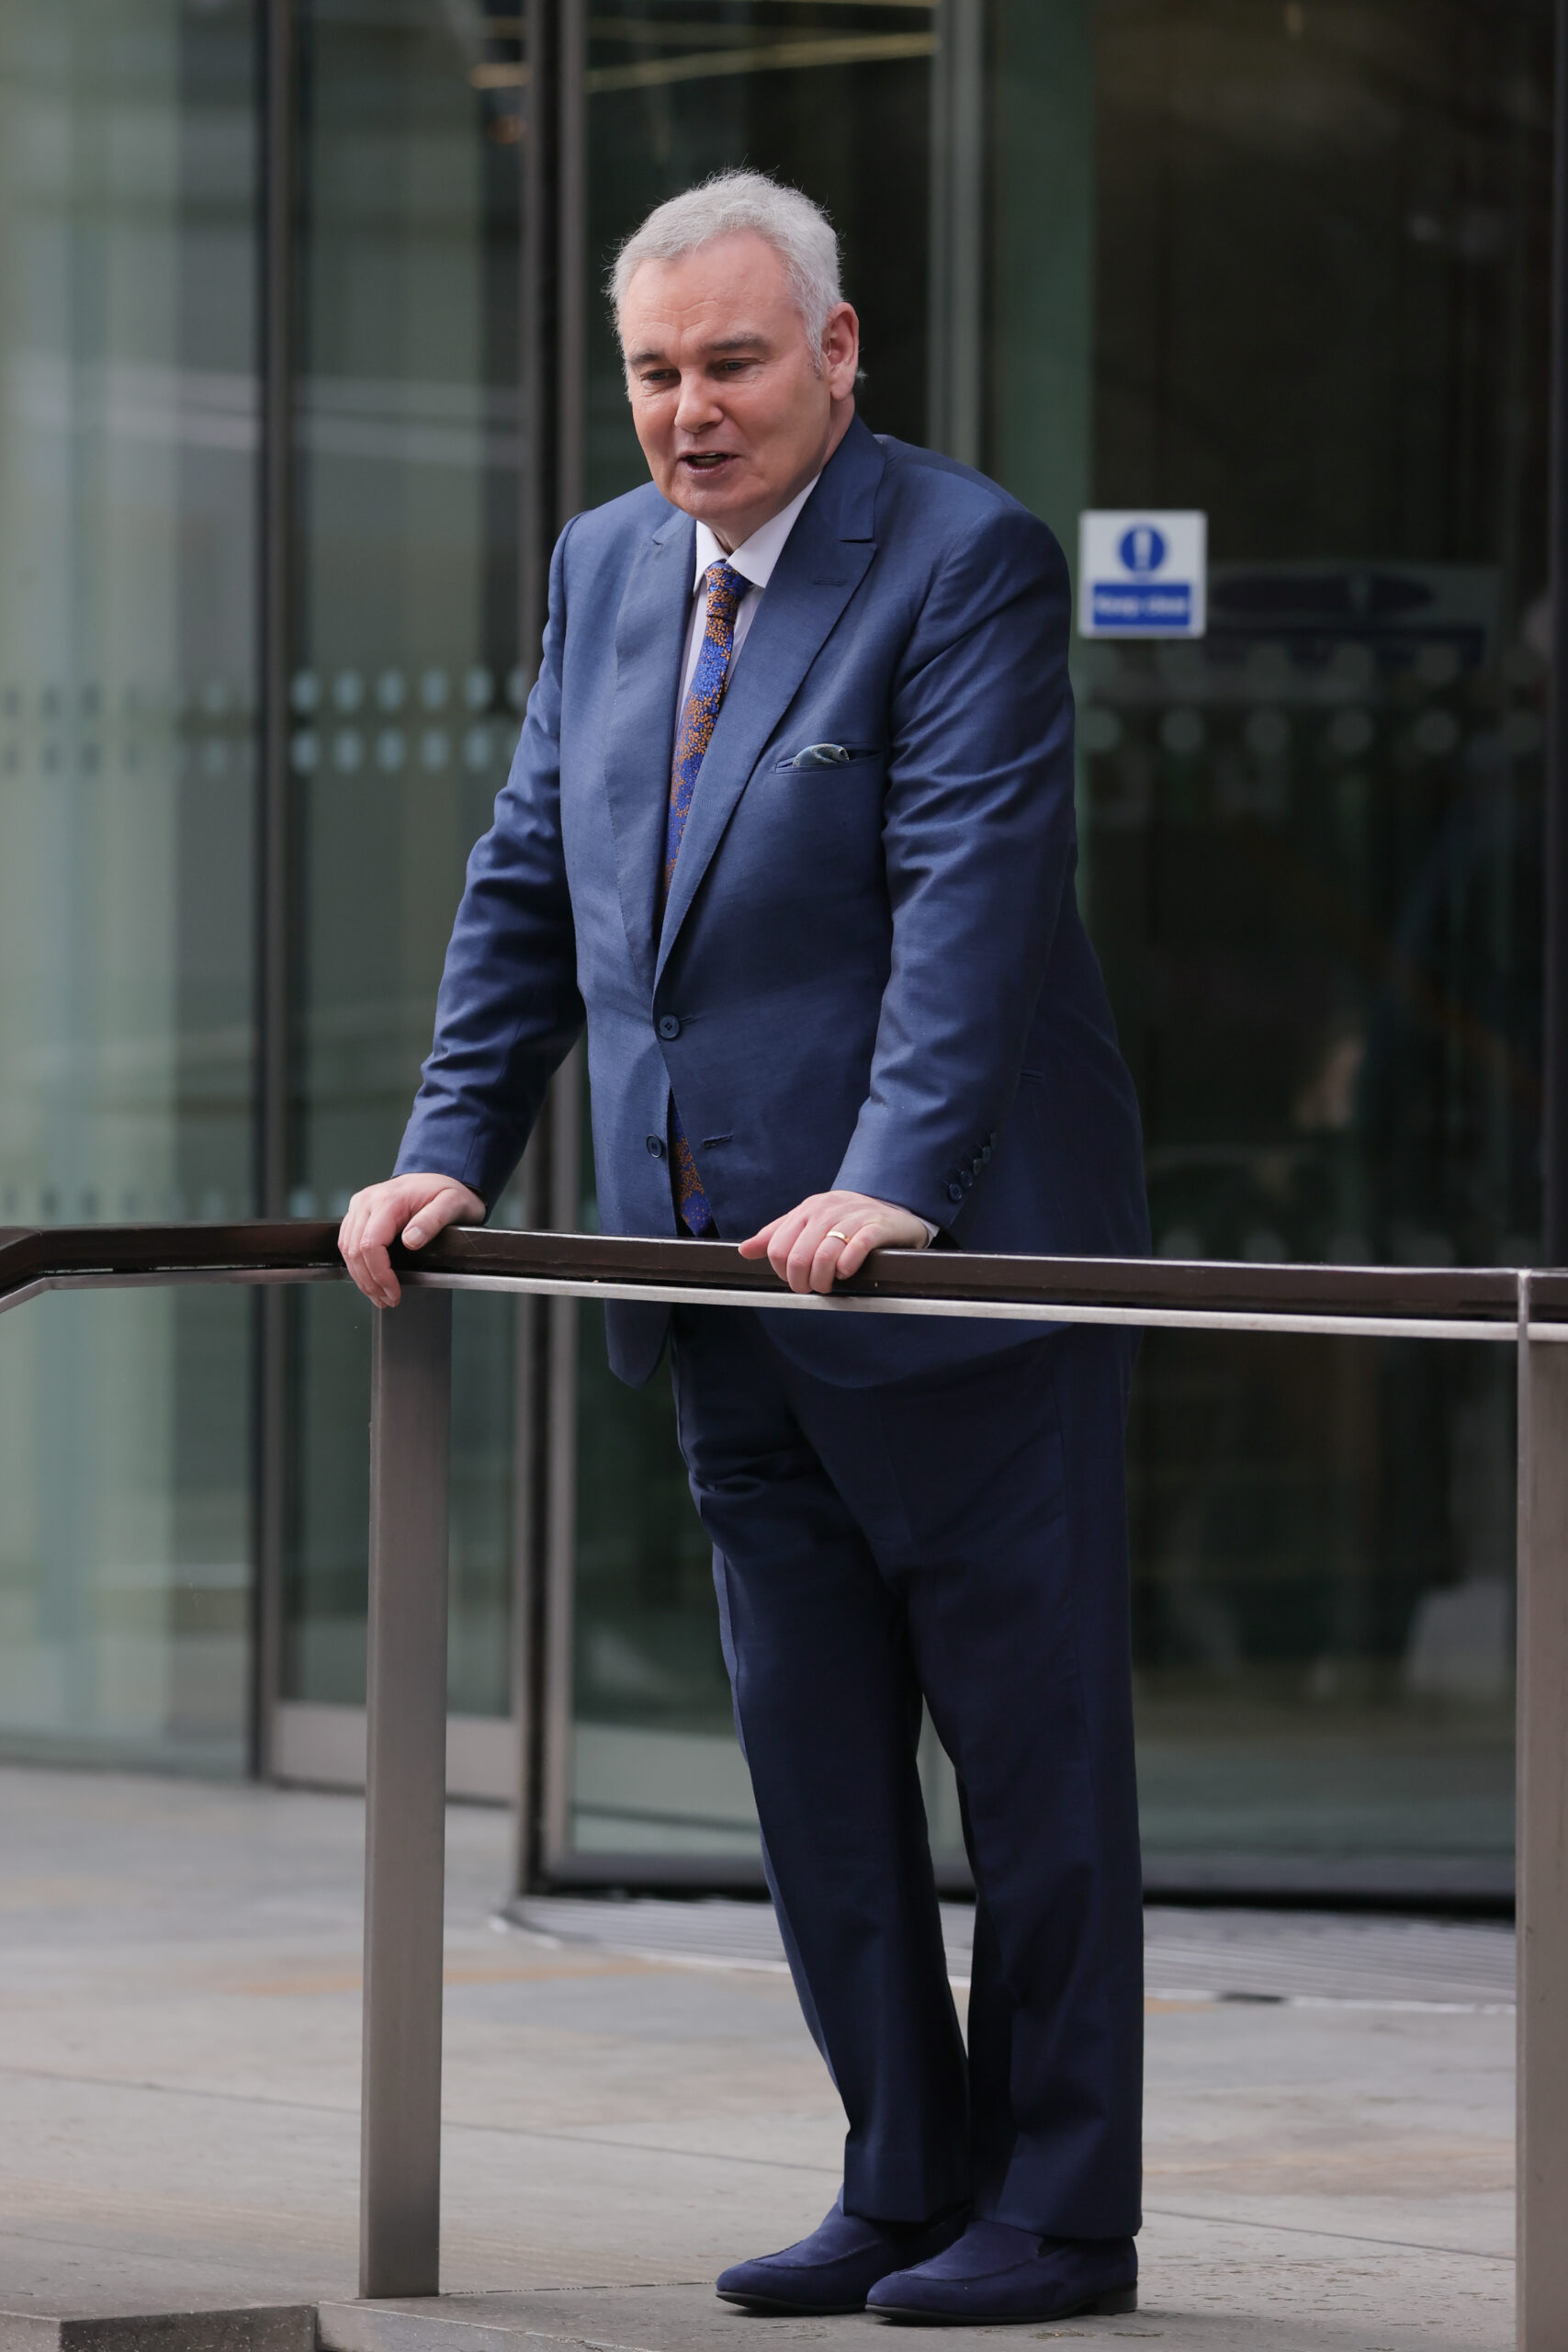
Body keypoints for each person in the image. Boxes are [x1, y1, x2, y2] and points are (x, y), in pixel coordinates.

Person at [339, 170, 1150, 2328]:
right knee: (809, 1764)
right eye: (653, 371)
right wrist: (446, 1144)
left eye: (730, 361)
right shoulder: (606, 569)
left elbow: (967, 893)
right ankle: (901, 2177)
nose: (688, 411)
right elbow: (536, 871)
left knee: (1032, 1767)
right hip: (703, 1275)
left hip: (951, 1269)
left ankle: (1060, 2211)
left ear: (837, 349)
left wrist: (893, 1173)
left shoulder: (958, 557)